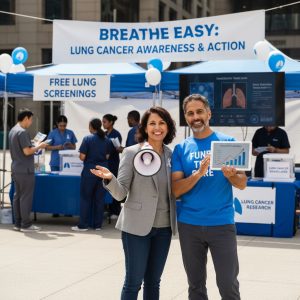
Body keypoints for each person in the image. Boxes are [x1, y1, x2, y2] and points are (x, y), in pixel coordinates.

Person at [90, 106, 177, 300]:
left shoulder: (172, 155)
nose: (157, 127)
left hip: (164, 227)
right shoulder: (131, 153)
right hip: (136, 227)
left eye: (162, 123)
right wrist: (109, 178)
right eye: (152, 123)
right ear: (145, 128)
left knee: (154, 282)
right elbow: (121, 193)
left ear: (168, 127)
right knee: (133, 283)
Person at [171, 94, 247, 300]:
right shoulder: (181, 149)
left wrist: (232, 176)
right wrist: (197, 174)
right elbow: (175, 189)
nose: (195, 116)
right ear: (186, 117)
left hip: (221, 224)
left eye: (199, 111)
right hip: (190, 225)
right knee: (195, 285)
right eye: (190, 113)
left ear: (209, 113)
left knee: (227, 283)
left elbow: (242, 184)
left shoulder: (227, 143)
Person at [9, 108, 48, 232]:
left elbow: (22, 148)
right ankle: (26, 224)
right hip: (25, 170)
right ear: (26, 118)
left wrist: (32, 145)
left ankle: (18, 223)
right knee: (25, 197)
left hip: (16, 168)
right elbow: (27, 151)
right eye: (30, 120)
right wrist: (39, 146)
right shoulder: (22, 132)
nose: (30, 122)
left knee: (17, 196)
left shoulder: (13, 130)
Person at [71, 118, 112, 231]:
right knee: (99, 199)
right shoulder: (107, 140)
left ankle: (83, 225)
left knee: (85, 198)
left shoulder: (87, 139)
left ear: (91, 127)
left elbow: (82, 157)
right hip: (103, 172)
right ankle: (97, 225)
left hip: (90, 171)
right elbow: (107, 156)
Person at [102, 114, 123, 219]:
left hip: (113, 164)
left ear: (110, 122)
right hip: (105, 164)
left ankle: (115, 210)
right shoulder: (104, 134)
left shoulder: (116, 134)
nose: (103, 124)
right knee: (105, 187)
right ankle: (107, 209)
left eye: (105, 122)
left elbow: (118, 149)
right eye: (102, 121)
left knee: (114, 187)